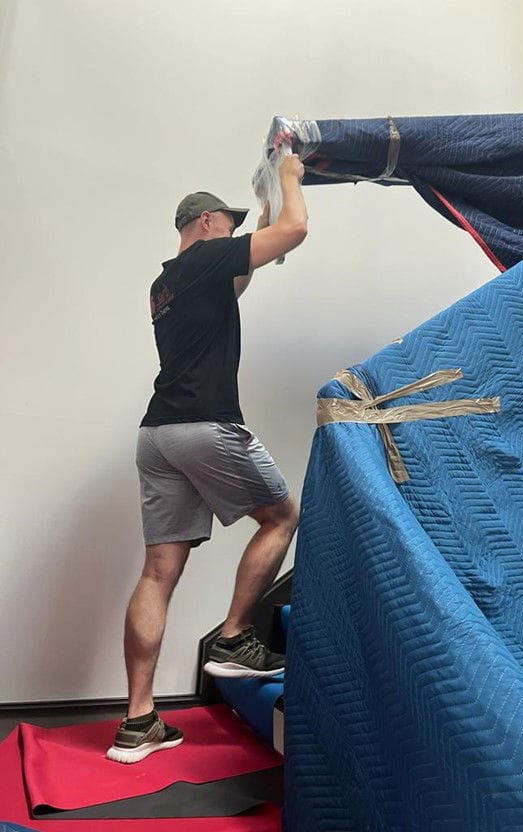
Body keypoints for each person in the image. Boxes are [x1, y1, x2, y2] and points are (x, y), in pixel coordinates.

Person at [106, 153, 307, 764]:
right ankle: (235, 637)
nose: (233, 231)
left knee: (157, 573)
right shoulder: (207, 258)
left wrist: (264, 202)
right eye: (229, 222)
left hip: (157, 436)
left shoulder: (165, 285)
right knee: (282, 517)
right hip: (203, 426)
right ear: (205, 223)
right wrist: (292, 177)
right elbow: (295, 231)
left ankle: (138, 722)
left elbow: (248, 272)